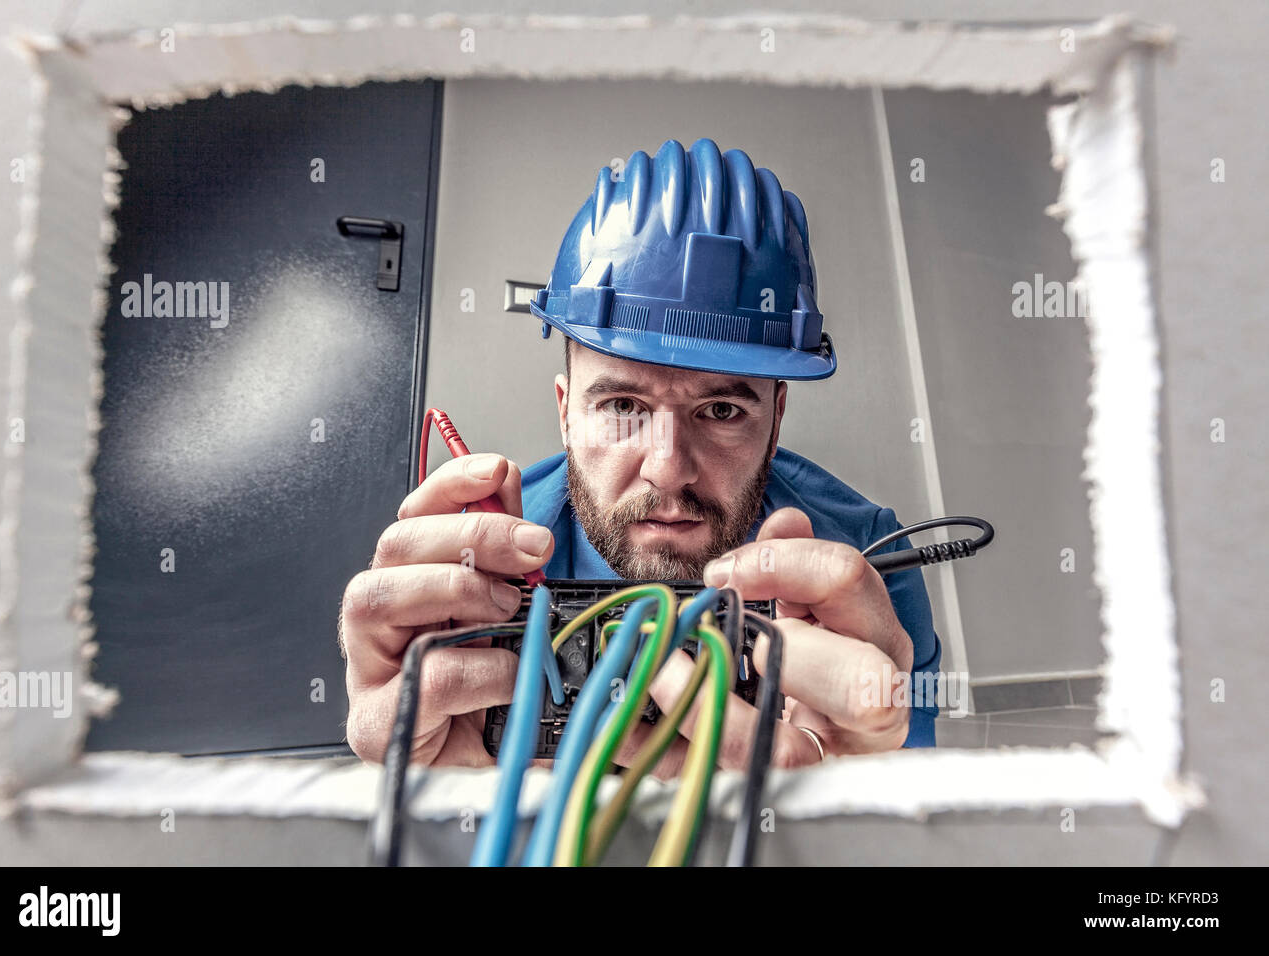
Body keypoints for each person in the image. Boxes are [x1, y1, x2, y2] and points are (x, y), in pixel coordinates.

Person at [340, 138, 941, 776]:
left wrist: (856, 794)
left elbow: (912, 781)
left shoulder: (868, 567)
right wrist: (440, 781)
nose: (668, 469)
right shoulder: (478, 577)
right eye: (623, 406)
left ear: (776, 419)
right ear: (565, 411)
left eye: (722, 411)